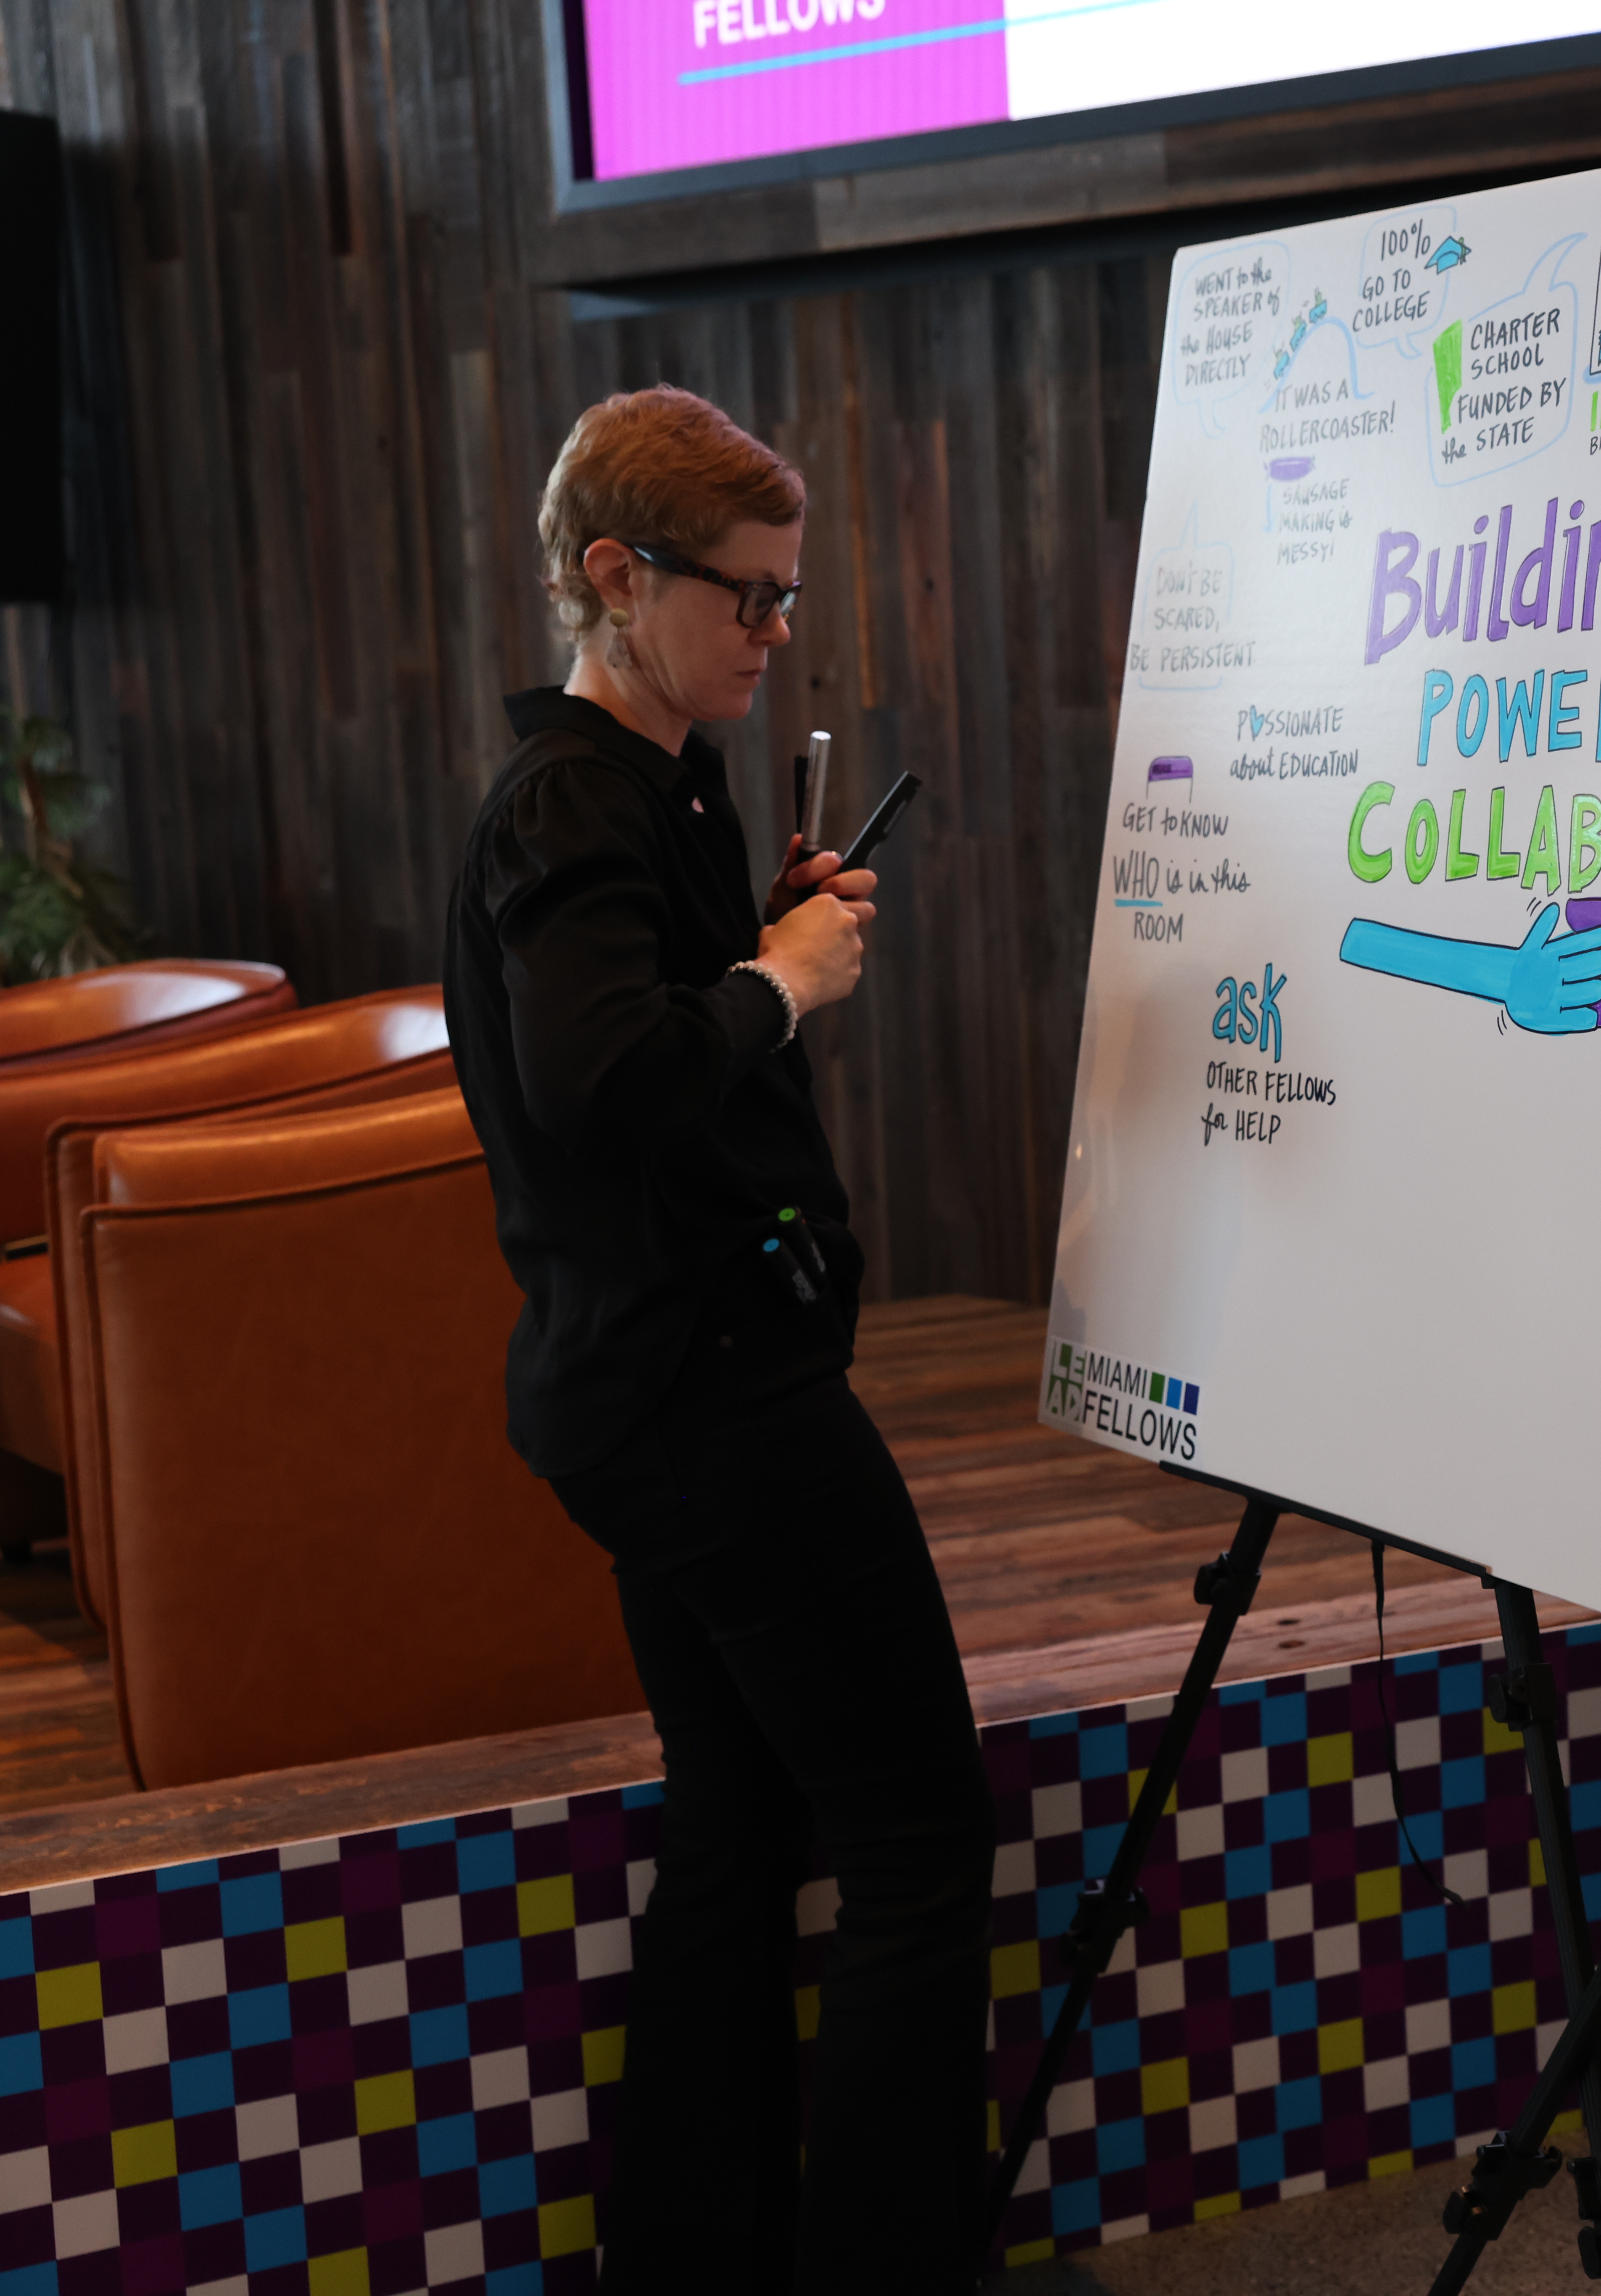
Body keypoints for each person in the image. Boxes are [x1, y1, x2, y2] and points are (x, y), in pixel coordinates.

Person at [442, 384, 994, 2293]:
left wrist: (747, 950)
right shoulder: (578, 801)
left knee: (745, 1821)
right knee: (921, 1845)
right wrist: (774, 982)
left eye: (782, 599)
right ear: (614, 577)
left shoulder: (653, 779)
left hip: (648, 1391)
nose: (772, 633)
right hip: (713, 1402)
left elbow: (641, 1034)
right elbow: (601, 1085)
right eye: (743, 599)